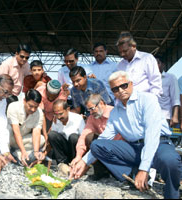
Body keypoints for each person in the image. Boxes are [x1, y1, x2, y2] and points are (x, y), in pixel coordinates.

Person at [70, 71, 181, 199]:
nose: (121, 90)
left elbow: (152, 135)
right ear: (112, 91)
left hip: (159, 145)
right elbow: (104, 138)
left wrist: (144, 169)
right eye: (116, 89)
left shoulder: (147, 100)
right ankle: (133, 176)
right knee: (97, 145)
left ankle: (171, 194)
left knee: (170, 161)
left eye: (124, 85)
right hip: (134, 148)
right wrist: (84, 162)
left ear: (131, 84)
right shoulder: (116, 113)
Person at [70, 94, 122, 180]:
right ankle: (100, 172)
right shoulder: (92, 117)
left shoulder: (115, 113)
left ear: (101, 103)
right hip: (103, 147)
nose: (91, 112)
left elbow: (118, 139)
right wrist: (78, 156)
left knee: (99, 143)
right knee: (90, 137)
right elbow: (84, 135)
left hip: (119, 147)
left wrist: (85, 163)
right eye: (88, 110)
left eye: (92, 109)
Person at [116, 31, 162, 97]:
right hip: (127, 104)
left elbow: (156, 83)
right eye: (120, 52)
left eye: (125, 51)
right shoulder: (120, 65)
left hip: (146, 103)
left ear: (133, 46)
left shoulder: (147, 58)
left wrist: (151, 102)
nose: (122, 54)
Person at [7, 89, 45, 167]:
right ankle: (11, 153)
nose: (33, 110)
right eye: (30, 106)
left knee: (42, 139)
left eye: (36, 107)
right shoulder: (13, 106)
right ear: (24, 101)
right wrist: (23, 151)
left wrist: (36, 152)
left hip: (23, 139)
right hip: (10, 139)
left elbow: (36, 132)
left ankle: (18, 154)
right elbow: (16, 131)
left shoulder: (39, 113)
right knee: (6, 134)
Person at [48, 99, 85, 176]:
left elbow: (83, 139)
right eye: (56, 114)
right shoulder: (56, 120)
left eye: (61, 114)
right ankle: (62, 164)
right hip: (64, 150)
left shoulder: (78, 119)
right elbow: (53, 138)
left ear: (67, 109)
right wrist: (44, 153)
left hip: (76, 151)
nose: (58, 117)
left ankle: (75, 164)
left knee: (74, 137)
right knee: (52, 135)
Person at [155, 56, 180, 126]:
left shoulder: (171, 78)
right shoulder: (147, 79)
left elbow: (175, 98)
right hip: (149, 117)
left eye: (157, 63)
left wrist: (175, 116)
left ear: (163, 64)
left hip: (164, 117)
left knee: (162, 137)